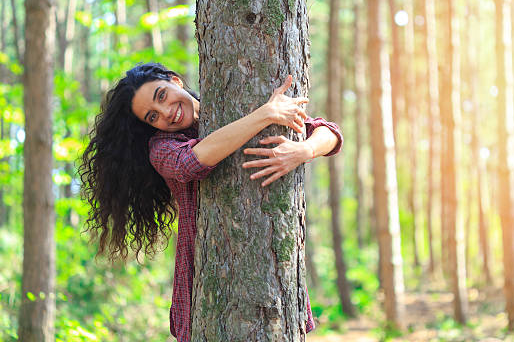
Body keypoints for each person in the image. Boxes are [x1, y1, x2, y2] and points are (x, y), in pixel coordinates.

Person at [79, 62, 342, 341]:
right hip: (206, 284)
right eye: (152, 116)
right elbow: (191, 162)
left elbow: (329, 131)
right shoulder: (162, 148)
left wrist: (304, 149)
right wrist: (265, 114)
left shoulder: (232, 102)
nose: (167, 112)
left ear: (175, 81)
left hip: (272, 275)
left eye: (162, 95)